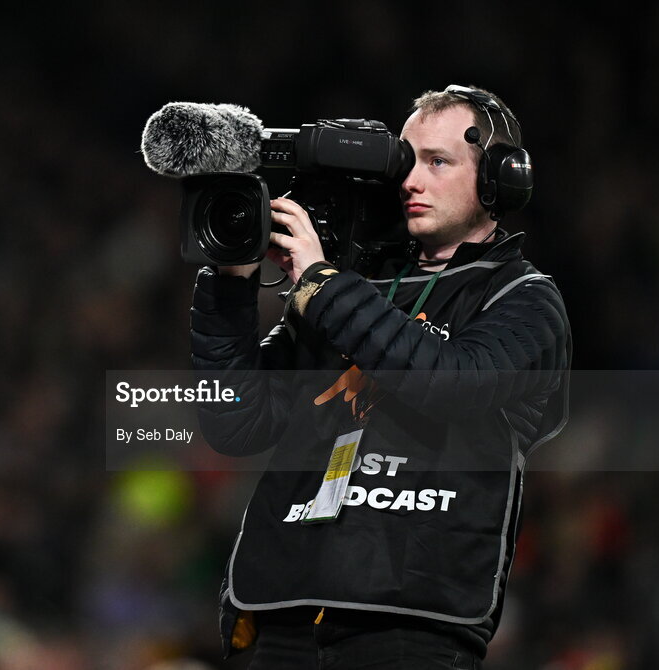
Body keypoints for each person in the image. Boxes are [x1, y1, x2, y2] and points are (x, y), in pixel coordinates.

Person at [190, 85, 571, 669]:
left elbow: (447, 382)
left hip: (408, 618)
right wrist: (231, 285)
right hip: (278, 609)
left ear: (498, 182)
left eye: (438, 162)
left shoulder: (524, 301)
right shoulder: (349, 288)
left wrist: (320, 282)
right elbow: (236, 423)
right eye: (405, 160)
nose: (411, 181)